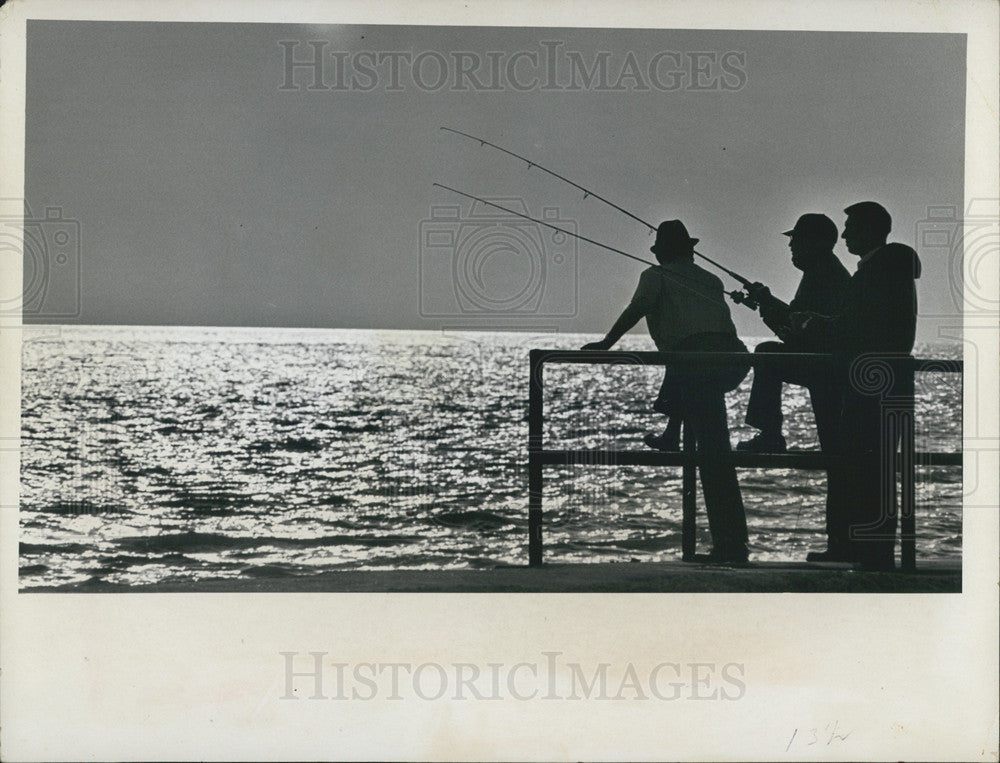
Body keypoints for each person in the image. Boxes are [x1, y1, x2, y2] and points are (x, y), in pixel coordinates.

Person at [582, 220, 751, 563]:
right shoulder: (712, 279)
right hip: (731, 358)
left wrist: (606, 344)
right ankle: (731, 541)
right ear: (690, 250)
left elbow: (637, 310)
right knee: (716, 449)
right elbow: (724, 328)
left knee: (713, 456)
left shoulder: (654, 276)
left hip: (696, 363)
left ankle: (730, 546)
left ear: (661, 253)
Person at [790, 201, 921, 570]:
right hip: (886, 378)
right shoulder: (887, 269)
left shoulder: (876, 271)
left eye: (850, 227)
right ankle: (864, 549)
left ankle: (871, 554)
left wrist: (814, 325)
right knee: (869, 468)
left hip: (872, 381)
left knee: (867, 468)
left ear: (869, 230)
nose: (844, 234)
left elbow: (856, 326)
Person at [737, 214, 851, 454]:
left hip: (825, 366)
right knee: (834, 445)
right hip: (830, 365)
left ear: (814, 242)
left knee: (765, 354)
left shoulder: (822, 274)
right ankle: (770, 434)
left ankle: (770, 435)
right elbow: (796, 323)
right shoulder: (824, 270)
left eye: (796, 239)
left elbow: (798, 328)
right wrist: (767, 304)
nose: (790, 245)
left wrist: (767, 304)